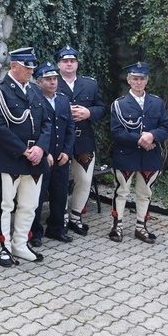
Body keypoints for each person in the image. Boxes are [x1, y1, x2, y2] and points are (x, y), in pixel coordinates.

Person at [0, 47, 51, 267]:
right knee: (5, 205)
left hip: (36, 157)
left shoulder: (35, 91)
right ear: (14, 66)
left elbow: (47, 123)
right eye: (27, 67)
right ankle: (3, 247)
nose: (31, 71)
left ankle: (20, 244)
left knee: (29, 205)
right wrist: (24, 151)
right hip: (11, 157)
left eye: (32, 67)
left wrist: (41, 148)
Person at [109, 62, 168, 243]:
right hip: (126, 154)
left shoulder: (157, 102)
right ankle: (117, 226)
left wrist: (152, 135)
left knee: (145, 193)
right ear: (129, 80)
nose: (138, 82)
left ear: (147, 80)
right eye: (135, 78)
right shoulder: (119, 104)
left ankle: (141, 227)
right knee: (122, 192)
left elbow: (165, 128)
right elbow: (116, 131)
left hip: (150, 156)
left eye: (142, 79)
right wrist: (141, 140)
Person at [55, 46, 107, 236]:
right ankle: (61, 217)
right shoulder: (52, 82)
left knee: (84, 180)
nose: (69, 64)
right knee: (58, 181)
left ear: (77, 63)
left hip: (83, 139)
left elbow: (102, 108)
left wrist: (89, 112)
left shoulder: (90, 85)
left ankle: (75, 215)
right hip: (59, 141)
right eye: (65, 61)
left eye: (73, 61)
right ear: (59, 64)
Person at [30, 62, 76, 247]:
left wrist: (67, 151)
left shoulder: (63, 100)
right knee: (38, 196)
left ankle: (56, 228)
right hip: (43, 157)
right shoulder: (34, 100)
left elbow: (70, 128)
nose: (53, 82)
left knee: (60, 194)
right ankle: (34, 232)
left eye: (54, 79)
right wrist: (44, 152)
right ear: (39, 82)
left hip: (61, 157)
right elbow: (35, 131)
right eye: (48, 79)